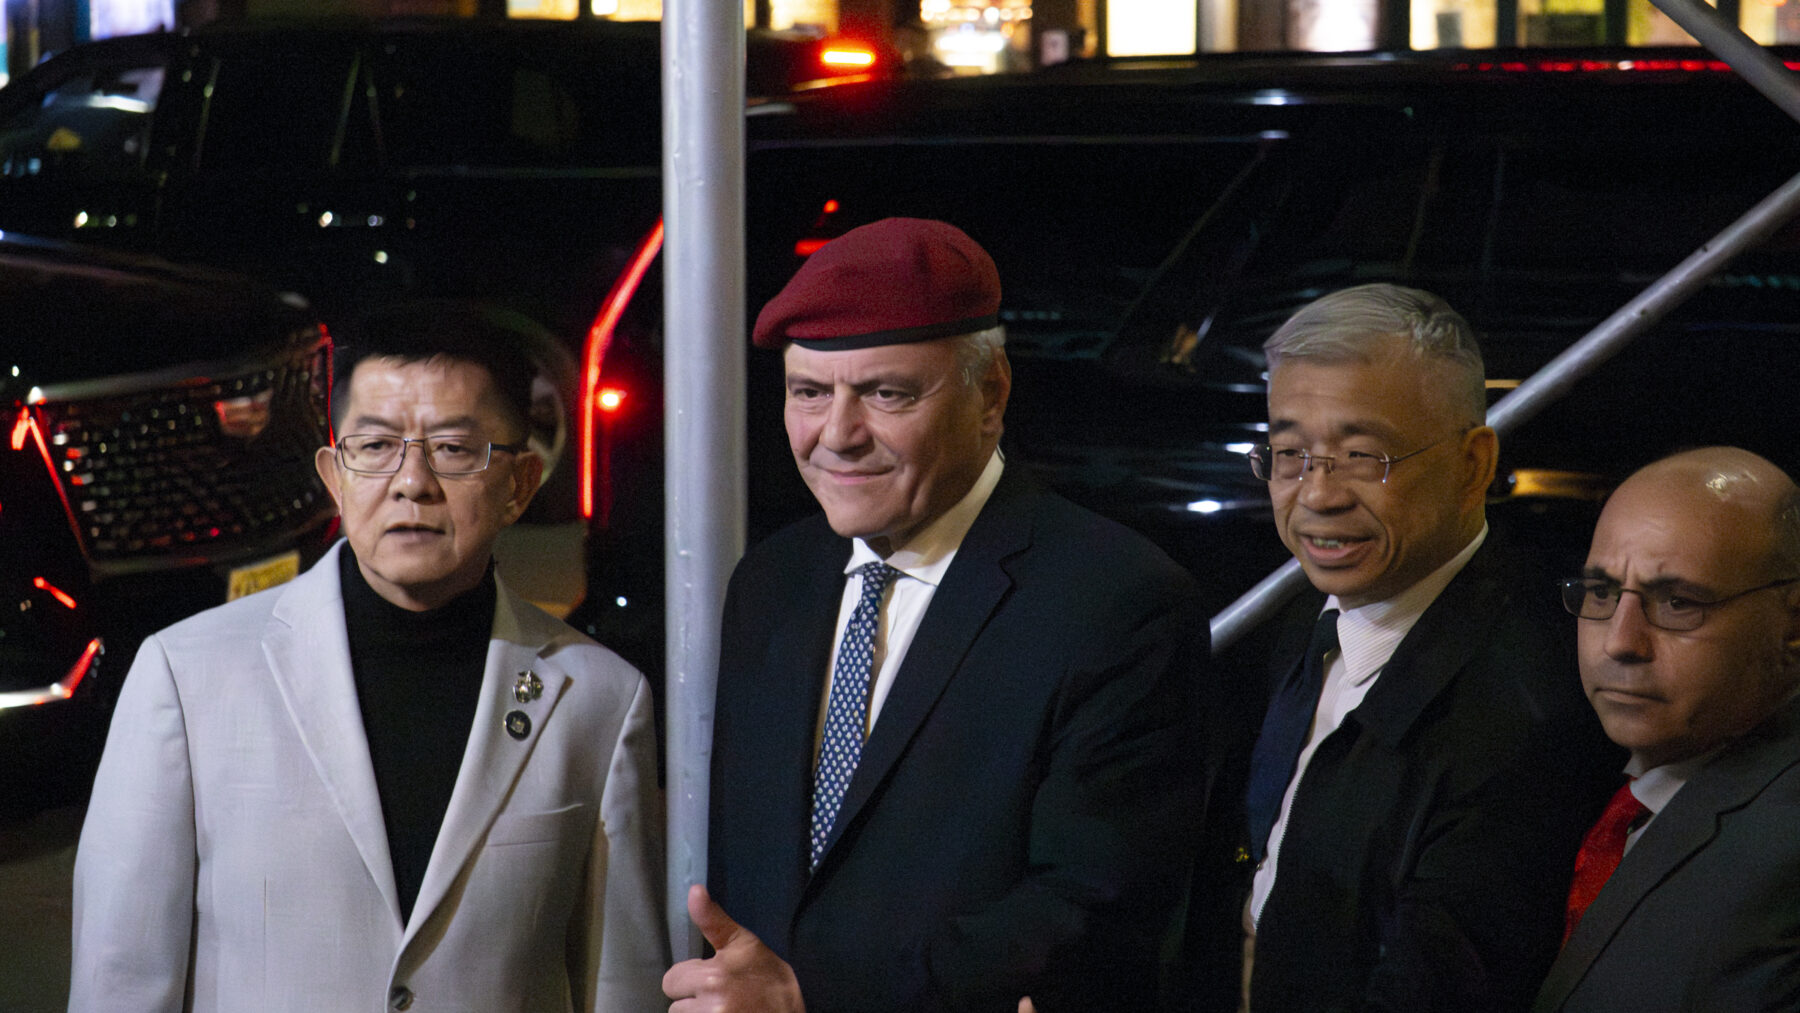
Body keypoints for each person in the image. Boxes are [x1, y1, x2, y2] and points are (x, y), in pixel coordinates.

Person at [664, 217, 1207, 1012]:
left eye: (887, 394)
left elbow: (1092, 903)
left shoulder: (1114, 599)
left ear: (991, 395)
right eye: (809, 392)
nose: (838, 435)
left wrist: (811, 996)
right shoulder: (773, 581)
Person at [69, 302, 667, 1012]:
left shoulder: (600, 697)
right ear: (334, 475)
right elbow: (122, 981)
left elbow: (624, 986)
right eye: (376, 447)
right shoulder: (187, 676)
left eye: (453, 448)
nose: (412, 481)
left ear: (520, 484)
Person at [1196, 283, 1618, 1012]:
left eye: (1363, 455)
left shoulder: (1528, 710)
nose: (1317, 495)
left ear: (1473, 465)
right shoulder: (1302, 621)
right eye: (1291, 453)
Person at [1533, 446, 1800, 1011]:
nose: (1620, 641)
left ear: (1792, 624)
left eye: (1678, 602)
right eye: (1601, 593)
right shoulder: (1561, 772)